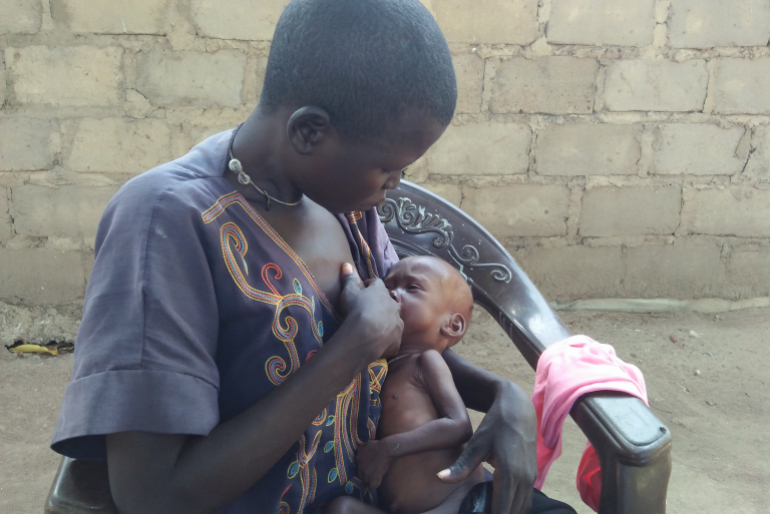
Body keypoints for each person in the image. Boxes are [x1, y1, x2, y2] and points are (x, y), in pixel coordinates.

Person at [51, 1, 545, 513]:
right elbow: (153, 498)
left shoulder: (343, 202)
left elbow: (397, 338)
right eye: (387, 169)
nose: (395, 185)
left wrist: (501, 394)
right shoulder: (166, 222)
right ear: (310, 131)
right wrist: (349, 350)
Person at [327, 257, 577, 514]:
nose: (391, 293)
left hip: (458, 503)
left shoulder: (426, 361)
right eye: (387, 285)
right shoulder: (380, 368)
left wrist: (388, 449)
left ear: (452, 324)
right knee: (342, 509)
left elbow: (458, 425)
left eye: (411, 287)